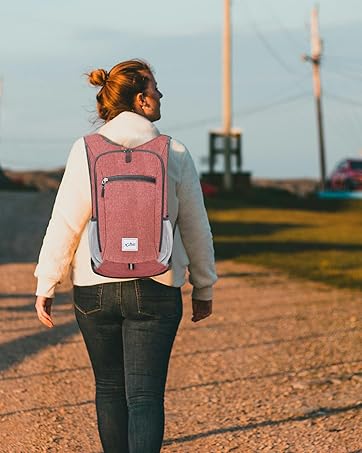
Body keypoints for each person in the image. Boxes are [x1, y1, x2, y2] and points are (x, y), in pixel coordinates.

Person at [34, 59, 217, 453]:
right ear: (141, 99)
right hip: (158, 284)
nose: (160, 94)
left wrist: (46, 281)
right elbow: (195, 226)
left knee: (110, 390)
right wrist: (203, 285)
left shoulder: (86, 149)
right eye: (155, 88)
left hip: (94, 287)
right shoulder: (175, 152)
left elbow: (65, 219)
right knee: (146, 397)